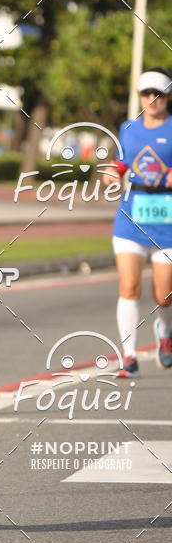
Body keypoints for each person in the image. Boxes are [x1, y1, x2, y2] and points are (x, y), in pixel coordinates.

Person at [103, 67, 172, 377]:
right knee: (129, 286)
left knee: (164, 295)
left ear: (168, 96)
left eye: (159, 94)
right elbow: (121, 161)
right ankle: (128, 357)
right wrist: (111, 172)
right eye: (147, 93)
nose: (152, 99)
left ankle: (165, 332)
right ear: (139, 96)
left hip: (167, 223)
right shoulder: (128, 128)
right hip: (131, 218)